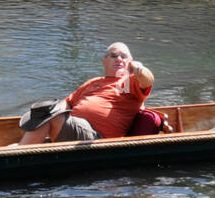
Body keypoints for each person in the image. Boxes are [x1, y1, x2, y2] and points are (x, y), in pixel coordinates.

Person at [16, 43, 153, 143]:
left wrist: (139, 69)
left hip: (98, 139)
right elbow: (67, 102)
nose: (119, 59)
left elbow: (148, 81)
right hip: (75, 130)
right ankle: (23, 146)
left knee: (50, 117)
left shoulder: (131, 82)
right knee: (47, 112)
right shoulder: (93, 82)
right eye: (114, 56)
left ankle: (20, 152)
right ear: (104, 61)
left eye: (124, 56)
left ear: (130, 61)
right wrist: (46, 112)